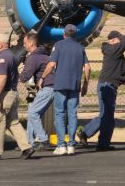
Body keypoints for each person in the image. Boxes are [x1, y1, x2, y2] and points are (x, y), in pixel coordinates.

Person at [77, 13, 125, 151]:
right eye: (118, 39)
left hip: (107, 85)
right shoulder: (113, 50)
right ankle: (101, 143)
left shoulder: (112, 49)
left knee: (105, 115)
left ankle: (87, 134)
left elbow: (124, 40)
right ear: (113, 40)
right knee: (108, 117)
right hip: (108, 86)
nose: (120, 40)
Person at [41, 24, 91, 156]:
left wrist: (42, 77)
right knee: (73, 114)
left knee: (59, 114)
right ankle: (71, 145)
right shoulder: (80, 47)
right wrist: (85, 84)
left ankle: (61, 144)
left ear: (64, 34)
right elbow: (88, 68)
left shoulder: (58, 45)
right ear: (75, 34)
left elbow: (51, 64)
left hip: (60, 84)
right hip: (74, 85)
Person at [0, 33, 34, 160]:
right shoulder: (8, 56)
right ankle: (26, 147)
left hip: (4, 95)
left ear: (0, 44)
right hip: (11, 93)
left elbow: (2, 77)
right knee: (13, 122)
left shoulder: (3, 58)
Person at [19, 32, 54, 150]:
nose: (24, 46)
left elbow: (24, 77)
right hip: (48, 88)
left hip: (48, 87)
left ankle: (43, 140)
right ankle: (29, 142)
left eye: (24, 43)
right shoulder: (44, 54)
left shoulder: (33, 57)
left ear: (30, 43)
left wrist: (14, 74)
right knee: (33, 113)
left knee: (33, 112)